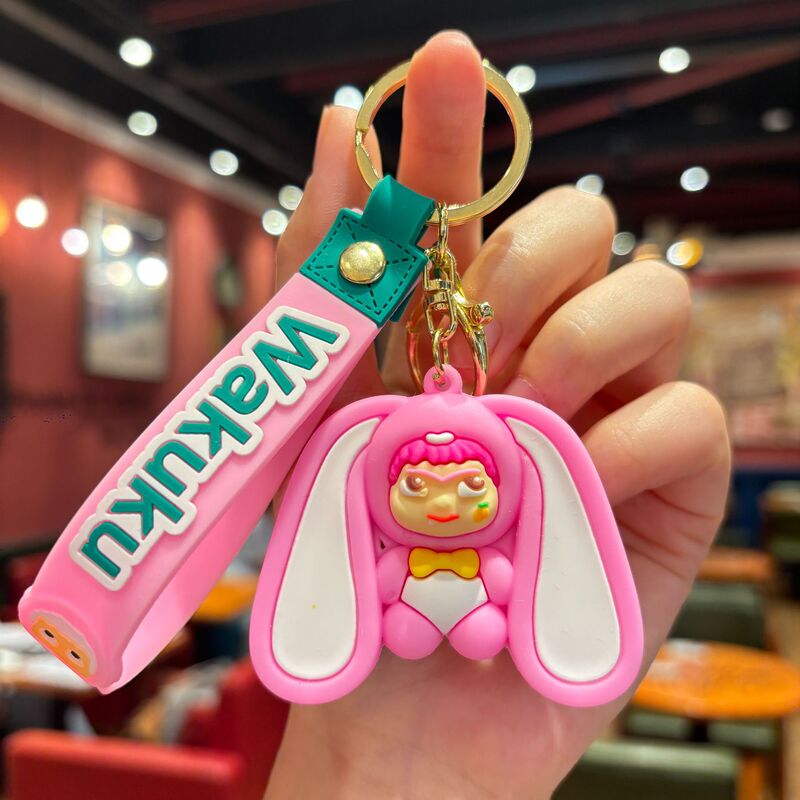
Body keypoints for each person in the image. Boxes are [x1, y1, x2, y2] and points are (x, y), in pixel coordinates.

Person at [265, 29, 730, 799]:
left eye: (468, 489)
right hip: (406, 629)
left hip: (483, 623)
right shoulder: (374, 538)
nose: (446, 503)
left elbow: (503, 578)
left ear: (513, 490)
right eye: (420, 489)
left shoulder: (508, 546)